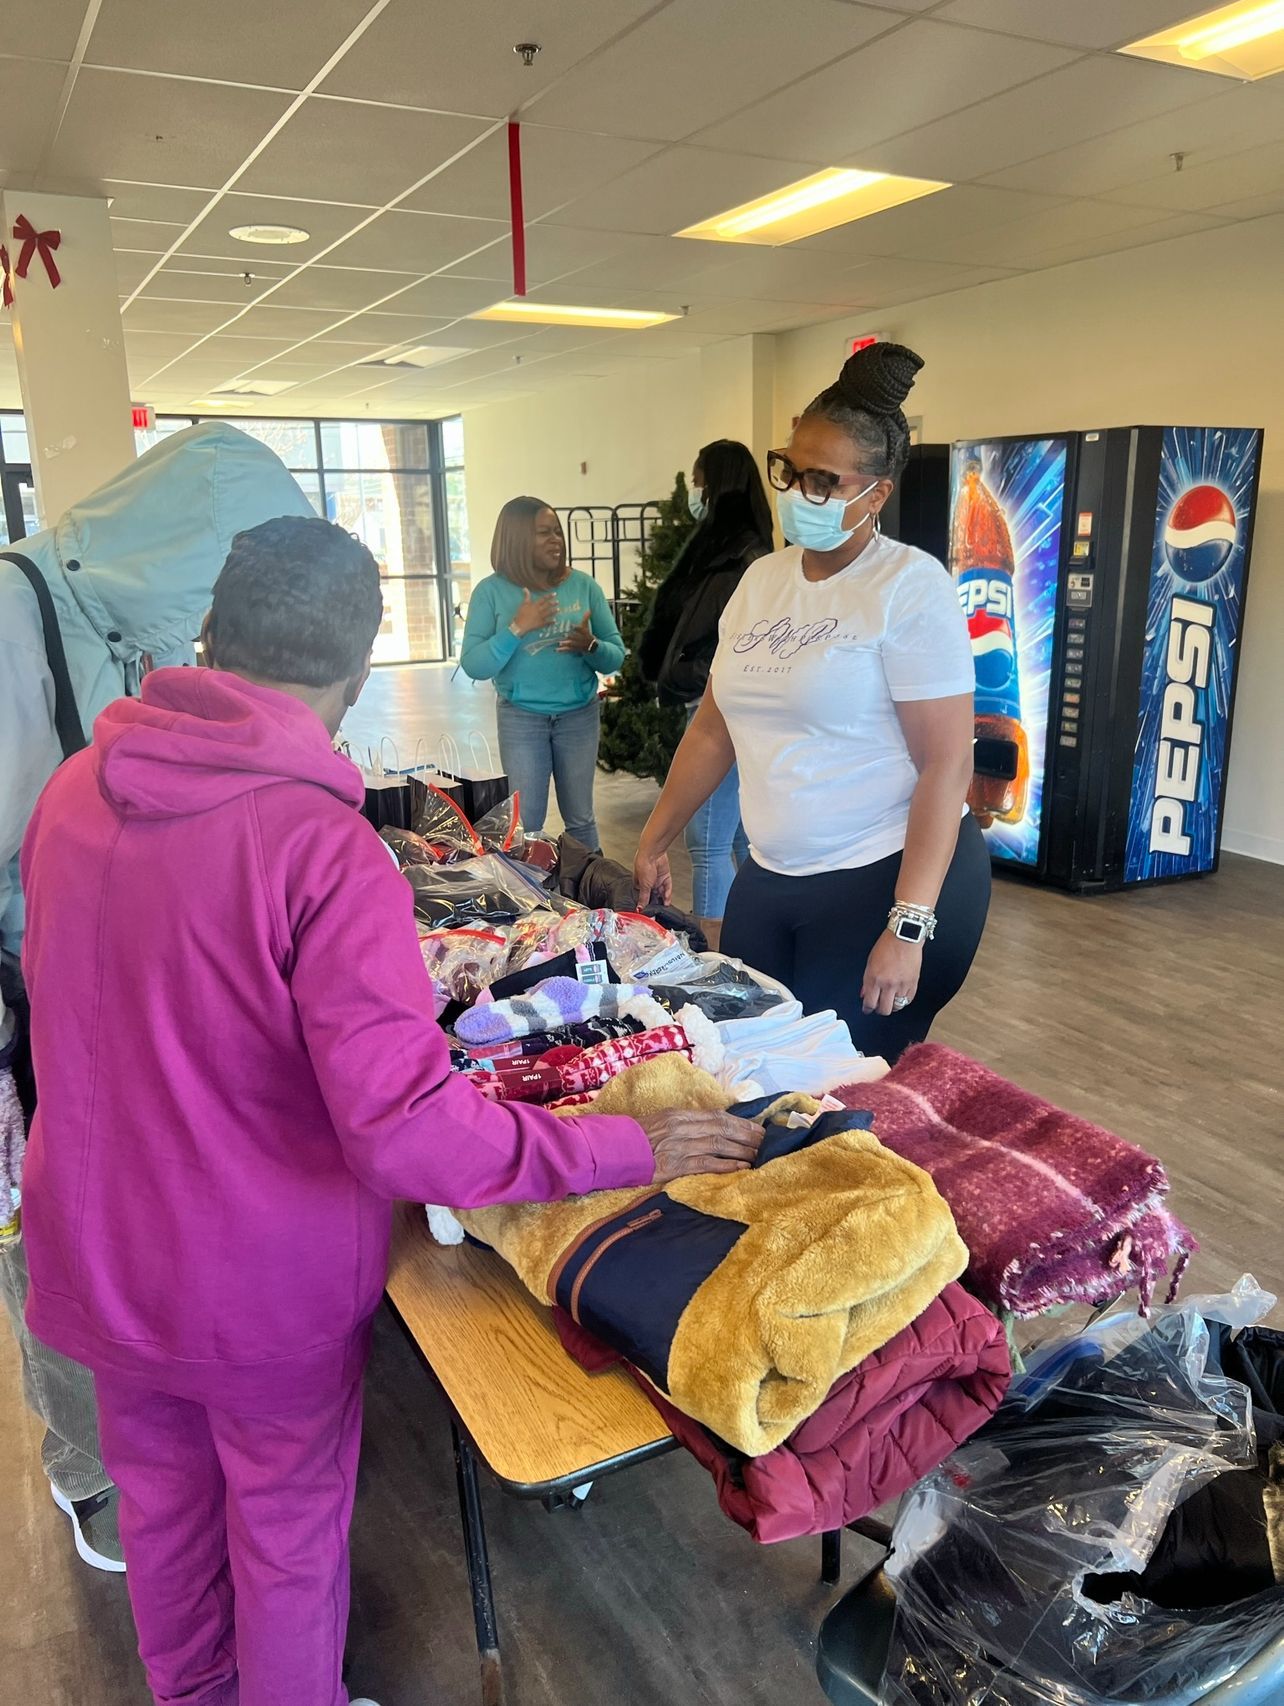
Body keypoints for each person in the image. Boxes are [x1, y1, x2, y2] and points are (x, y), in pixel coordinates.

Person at [19, 514, 759, 1706]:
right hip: (255, 1281)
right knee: (286, 1526)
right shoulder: (320, 848)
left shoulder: (72, 790)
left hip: (98, 1247)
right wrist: (622, 1139)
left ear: (212, 631)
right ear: (363, 670)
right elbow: (406, 1129)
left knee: (160, 1503)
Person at [0, 421, 314, 1573]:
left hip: (97, 986)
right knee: (46, 1232)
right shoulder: (10, 624)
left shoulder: (121, 628)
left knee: (115, 1217)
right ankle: (93, 1473)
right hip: (26, 1002)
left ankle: (158, 1429)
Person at [633, 343, 989, 1061]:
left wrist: (909, 925)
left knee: (838, 1088)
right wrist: (656, 836)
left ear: (877, 493)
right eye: (790, 471)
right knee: (747, 1061)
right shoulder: (763, 580)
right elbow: (712, 727)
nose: (798, 491)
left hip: (883, 877)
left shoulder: (909, 588)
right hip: (772, 875)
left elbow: (946, 765)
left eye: (823, 479)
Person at [636, 441, 773, 945]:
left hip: (720, 703)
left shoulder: (742, 557)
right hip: (710, 697)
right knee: (733, 836)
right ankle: (745, 941)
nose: (695, 492)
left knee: (708, 841)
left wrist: (690, 671)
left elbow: (726, 638)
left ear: (717, 485)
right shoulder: (727, 550)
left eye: (699, 482)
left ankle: (711, 952)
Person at [460, 497, 626, 851]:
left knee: (581, 819)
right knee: (527, 825)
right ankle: (529, 902)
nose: (556, 540)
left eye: (557, 532)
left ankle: (591, 899)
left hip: (578, 716)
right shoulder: (491, 593)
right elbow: (474, 663)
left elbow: (615, 658)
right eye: (543, 533)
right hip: (522, 719)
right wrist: (518, 627)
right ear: (517, 539)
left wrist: (591, 645)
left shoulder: (584, 587)